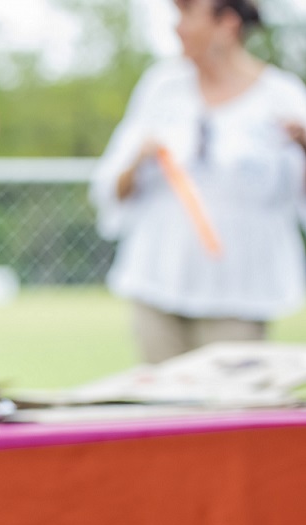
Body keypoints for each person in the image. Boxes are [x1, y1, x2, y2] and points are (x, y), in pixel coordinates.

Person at [91, 0, 306, 364]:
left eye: (187, 14)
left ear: (228, 23)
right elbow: (113, 188)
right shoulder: (162, 87)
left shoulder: (283, 97)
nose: (177, 27)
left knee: (230, 409)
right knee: (162, 409)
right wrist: (140, 158)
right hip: (158, 280)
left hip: (239, 291)